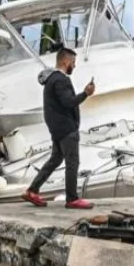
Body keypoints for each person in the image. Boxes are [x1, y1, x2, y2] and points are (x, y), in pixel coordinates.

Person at [22, 46, 95, 210]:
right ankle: (72, 199)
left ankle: (32, 190)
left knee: (55, 159)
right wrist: (85, 93)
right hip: (66, 128)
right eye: (73, 62)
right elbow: (68, 102)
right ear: (65, 61)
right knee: (72, 162)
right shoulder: (61, 80)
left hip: (56, 128)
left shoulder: (51, 80)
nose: (74, 66)